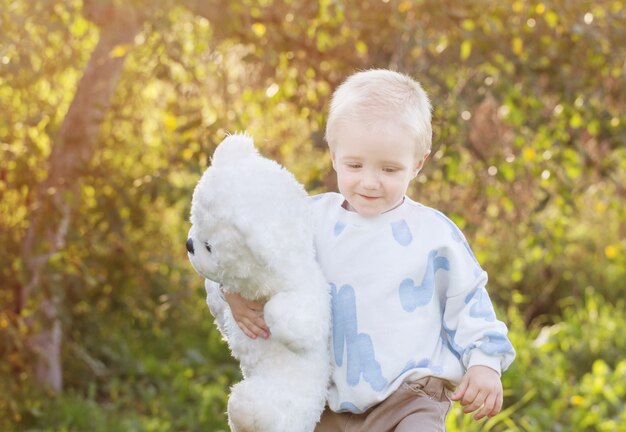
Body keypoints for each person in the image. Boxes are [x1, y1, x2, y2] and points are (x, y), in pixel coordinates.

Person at [217, 69, 515, 431]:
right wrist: (232, 293)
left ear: (418, 163)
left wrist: (484, 360)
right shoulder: (307, 220)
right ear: (333, 154)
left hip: (411, 396)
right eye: (354, 165)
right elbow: (245, 253)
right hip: (325, 397)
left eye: (389, 169)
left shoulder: (433, 236)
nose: (369, 182)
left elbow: (468, 300)